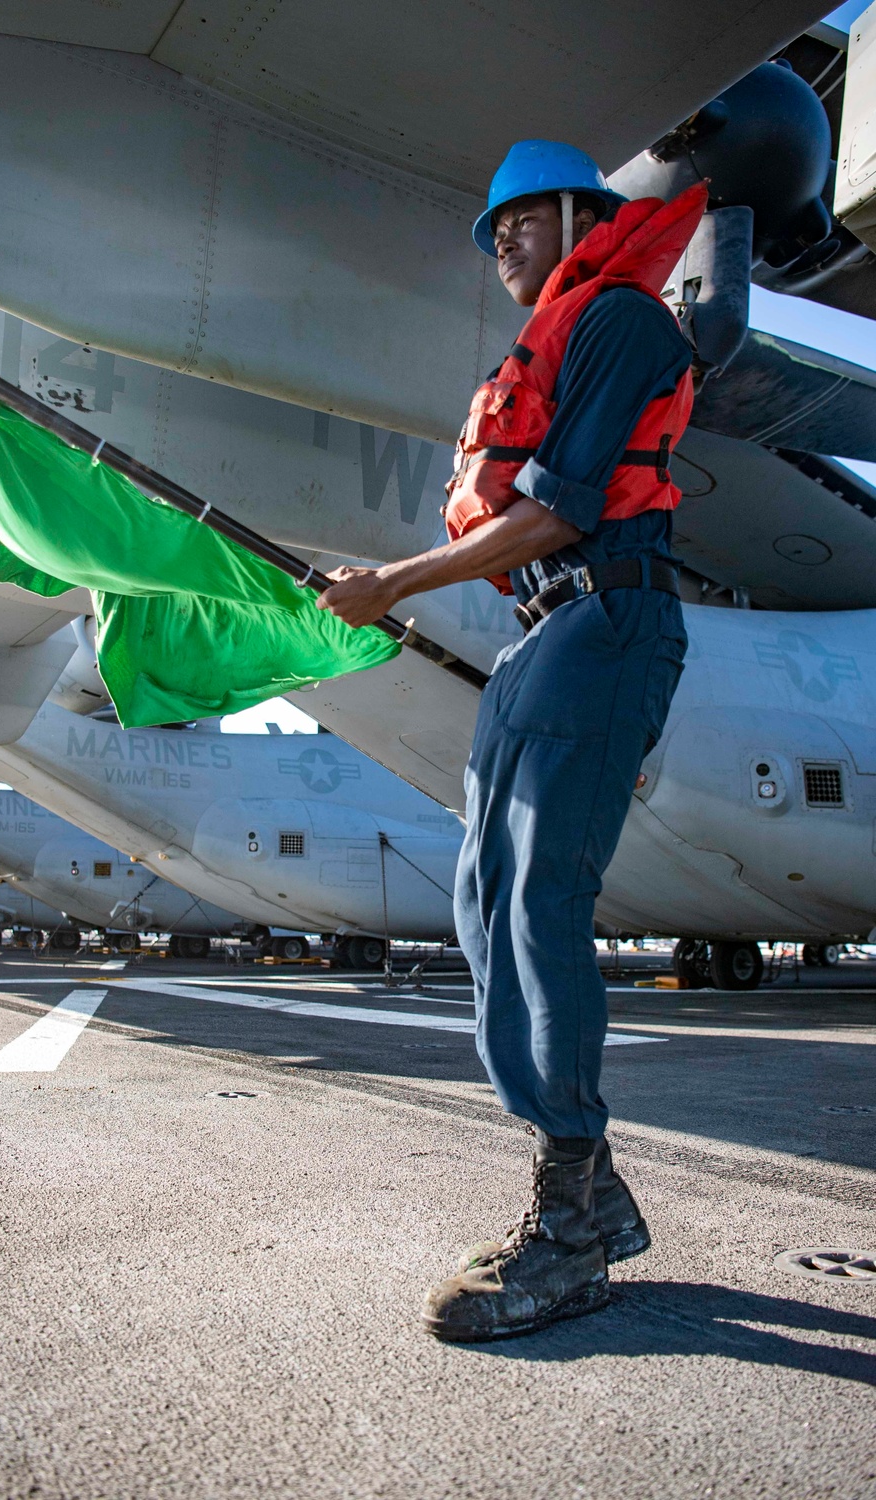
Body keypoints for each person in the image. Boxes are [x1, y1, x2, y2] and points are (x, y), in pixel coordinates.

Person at [317, 140, 706, 1342]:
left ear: (577, 211)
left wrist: (396, 583)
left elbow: (560, 508)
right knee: (484, 909)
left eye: (515, 221)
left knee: (539, 901)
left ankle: (571, 1228)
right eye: (488, 230)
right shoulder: (552, 336)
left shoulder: (624, 321)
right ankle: (590, 1187)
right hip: (544, 637)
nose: (497, 242)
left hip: (606, 619)